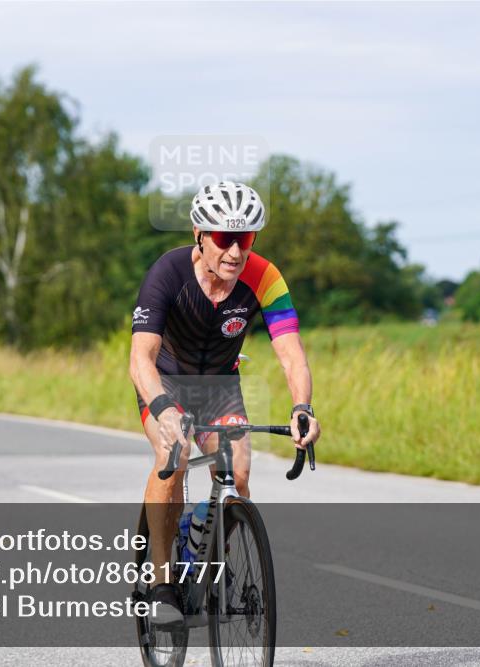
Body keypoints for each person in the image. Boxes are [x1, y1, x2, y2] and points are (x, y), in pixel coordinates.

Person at [129, 181, 321, 623]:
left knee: (239, 473)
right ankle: (161, 583)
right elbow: (140, 359)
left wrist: (302, 407)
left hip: (218, 386)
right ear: (199, 234)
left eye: (246, 238)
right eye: (224, 238)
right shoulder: (168, 272)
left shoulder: (265, 277)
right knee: (173, 455)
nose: (235, 251)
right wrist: (163, 409)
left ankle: (207, 545)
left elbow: (291, 353)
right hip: (165, 382)